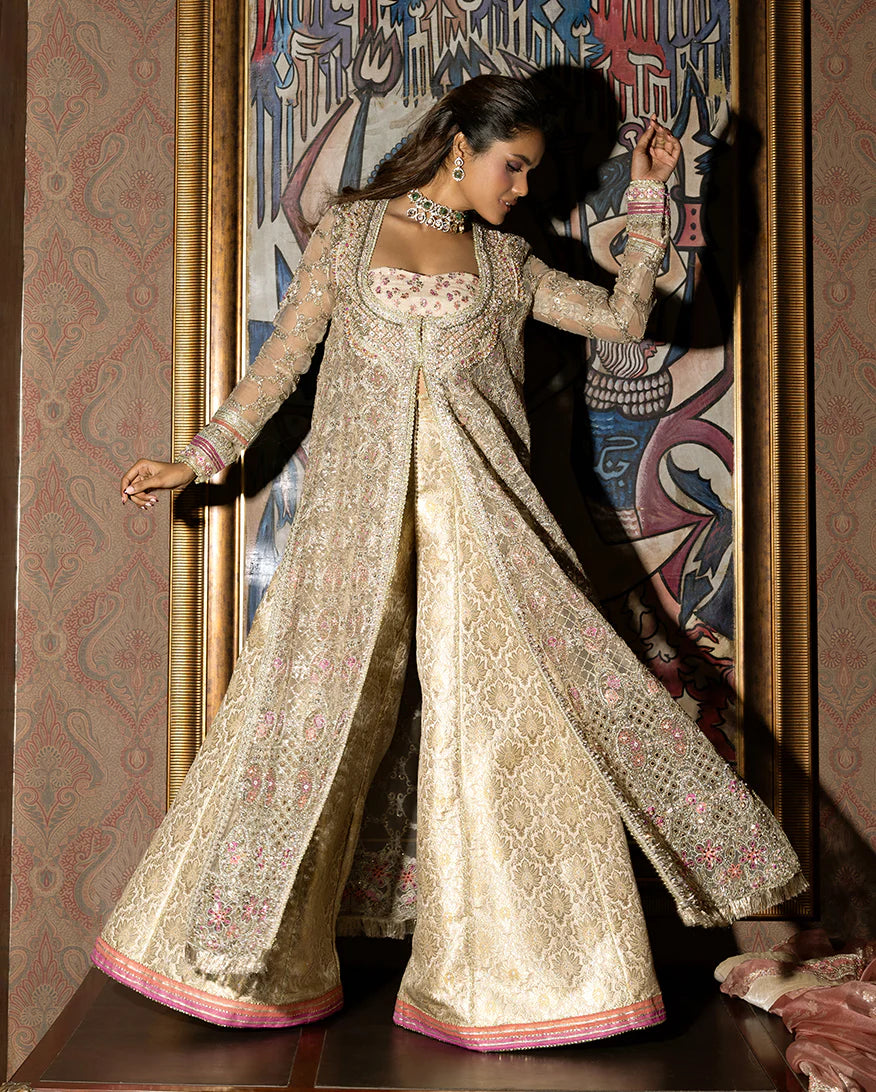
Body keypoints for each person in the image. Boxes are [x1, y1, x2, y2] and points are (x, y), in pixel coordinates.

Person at [93, 75, 805, 1051]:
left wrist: (653, 195)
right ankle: (244, 966)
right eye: (514, 167)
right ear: (461, 146)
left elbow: (626, 319)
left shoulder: (508, 265)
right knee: (298, 725)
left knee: (531, 731)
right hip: (350, 540)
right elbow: (282, 363)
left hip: (488, 538)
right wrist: (199, 459)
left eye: (533, 173)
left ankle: (529, 983)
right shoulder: (349, 236)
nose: (524, 188)